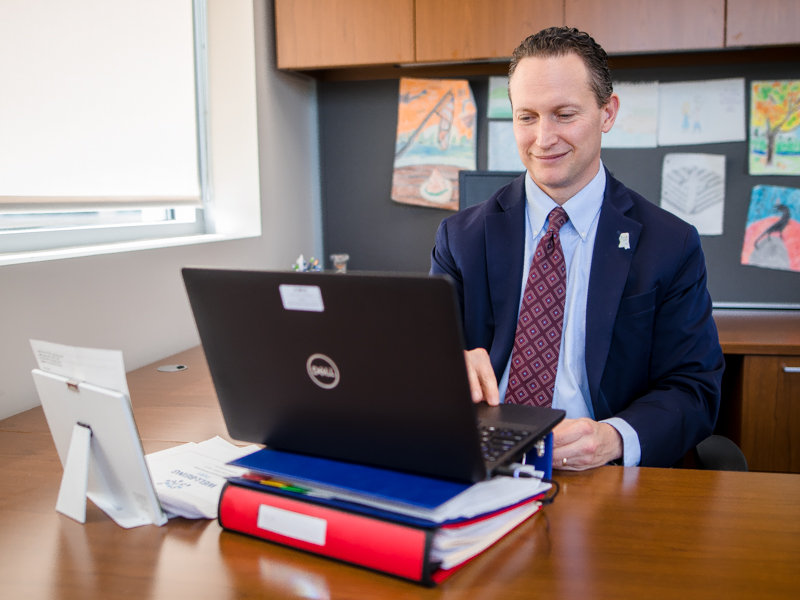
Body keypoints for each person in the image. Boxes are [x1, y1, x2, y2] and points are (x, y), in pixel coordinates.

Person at [430, 27, 724, 470]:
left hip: (601, 476)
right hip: (484, 466)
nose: (543, 138)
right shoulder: (460, 237)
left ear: (607, 113)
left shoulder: (670, 244)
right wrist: (448, 362)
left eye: (564, 114)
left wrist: (613, 438)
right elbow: (421, 367)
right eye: (527, 117)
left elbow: (694, 389)